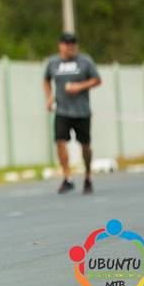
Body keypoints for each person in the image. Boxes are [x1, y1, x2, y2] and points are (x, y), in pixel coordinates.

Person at [43, 32, 102, 194]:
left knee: (85, 145)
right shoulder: (53, 63)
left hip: (82, 111)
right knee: (59, 140)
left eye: (73, 43)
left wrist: (79, 86)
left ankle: (88, 176)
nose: (70, 46)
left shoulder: (85, 61)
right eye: (67, 43)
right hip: (62, 110)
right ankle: (67, 177)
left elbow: (97, 80)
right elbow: (46, 79)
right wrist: (49, 97)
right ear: (60, 45)